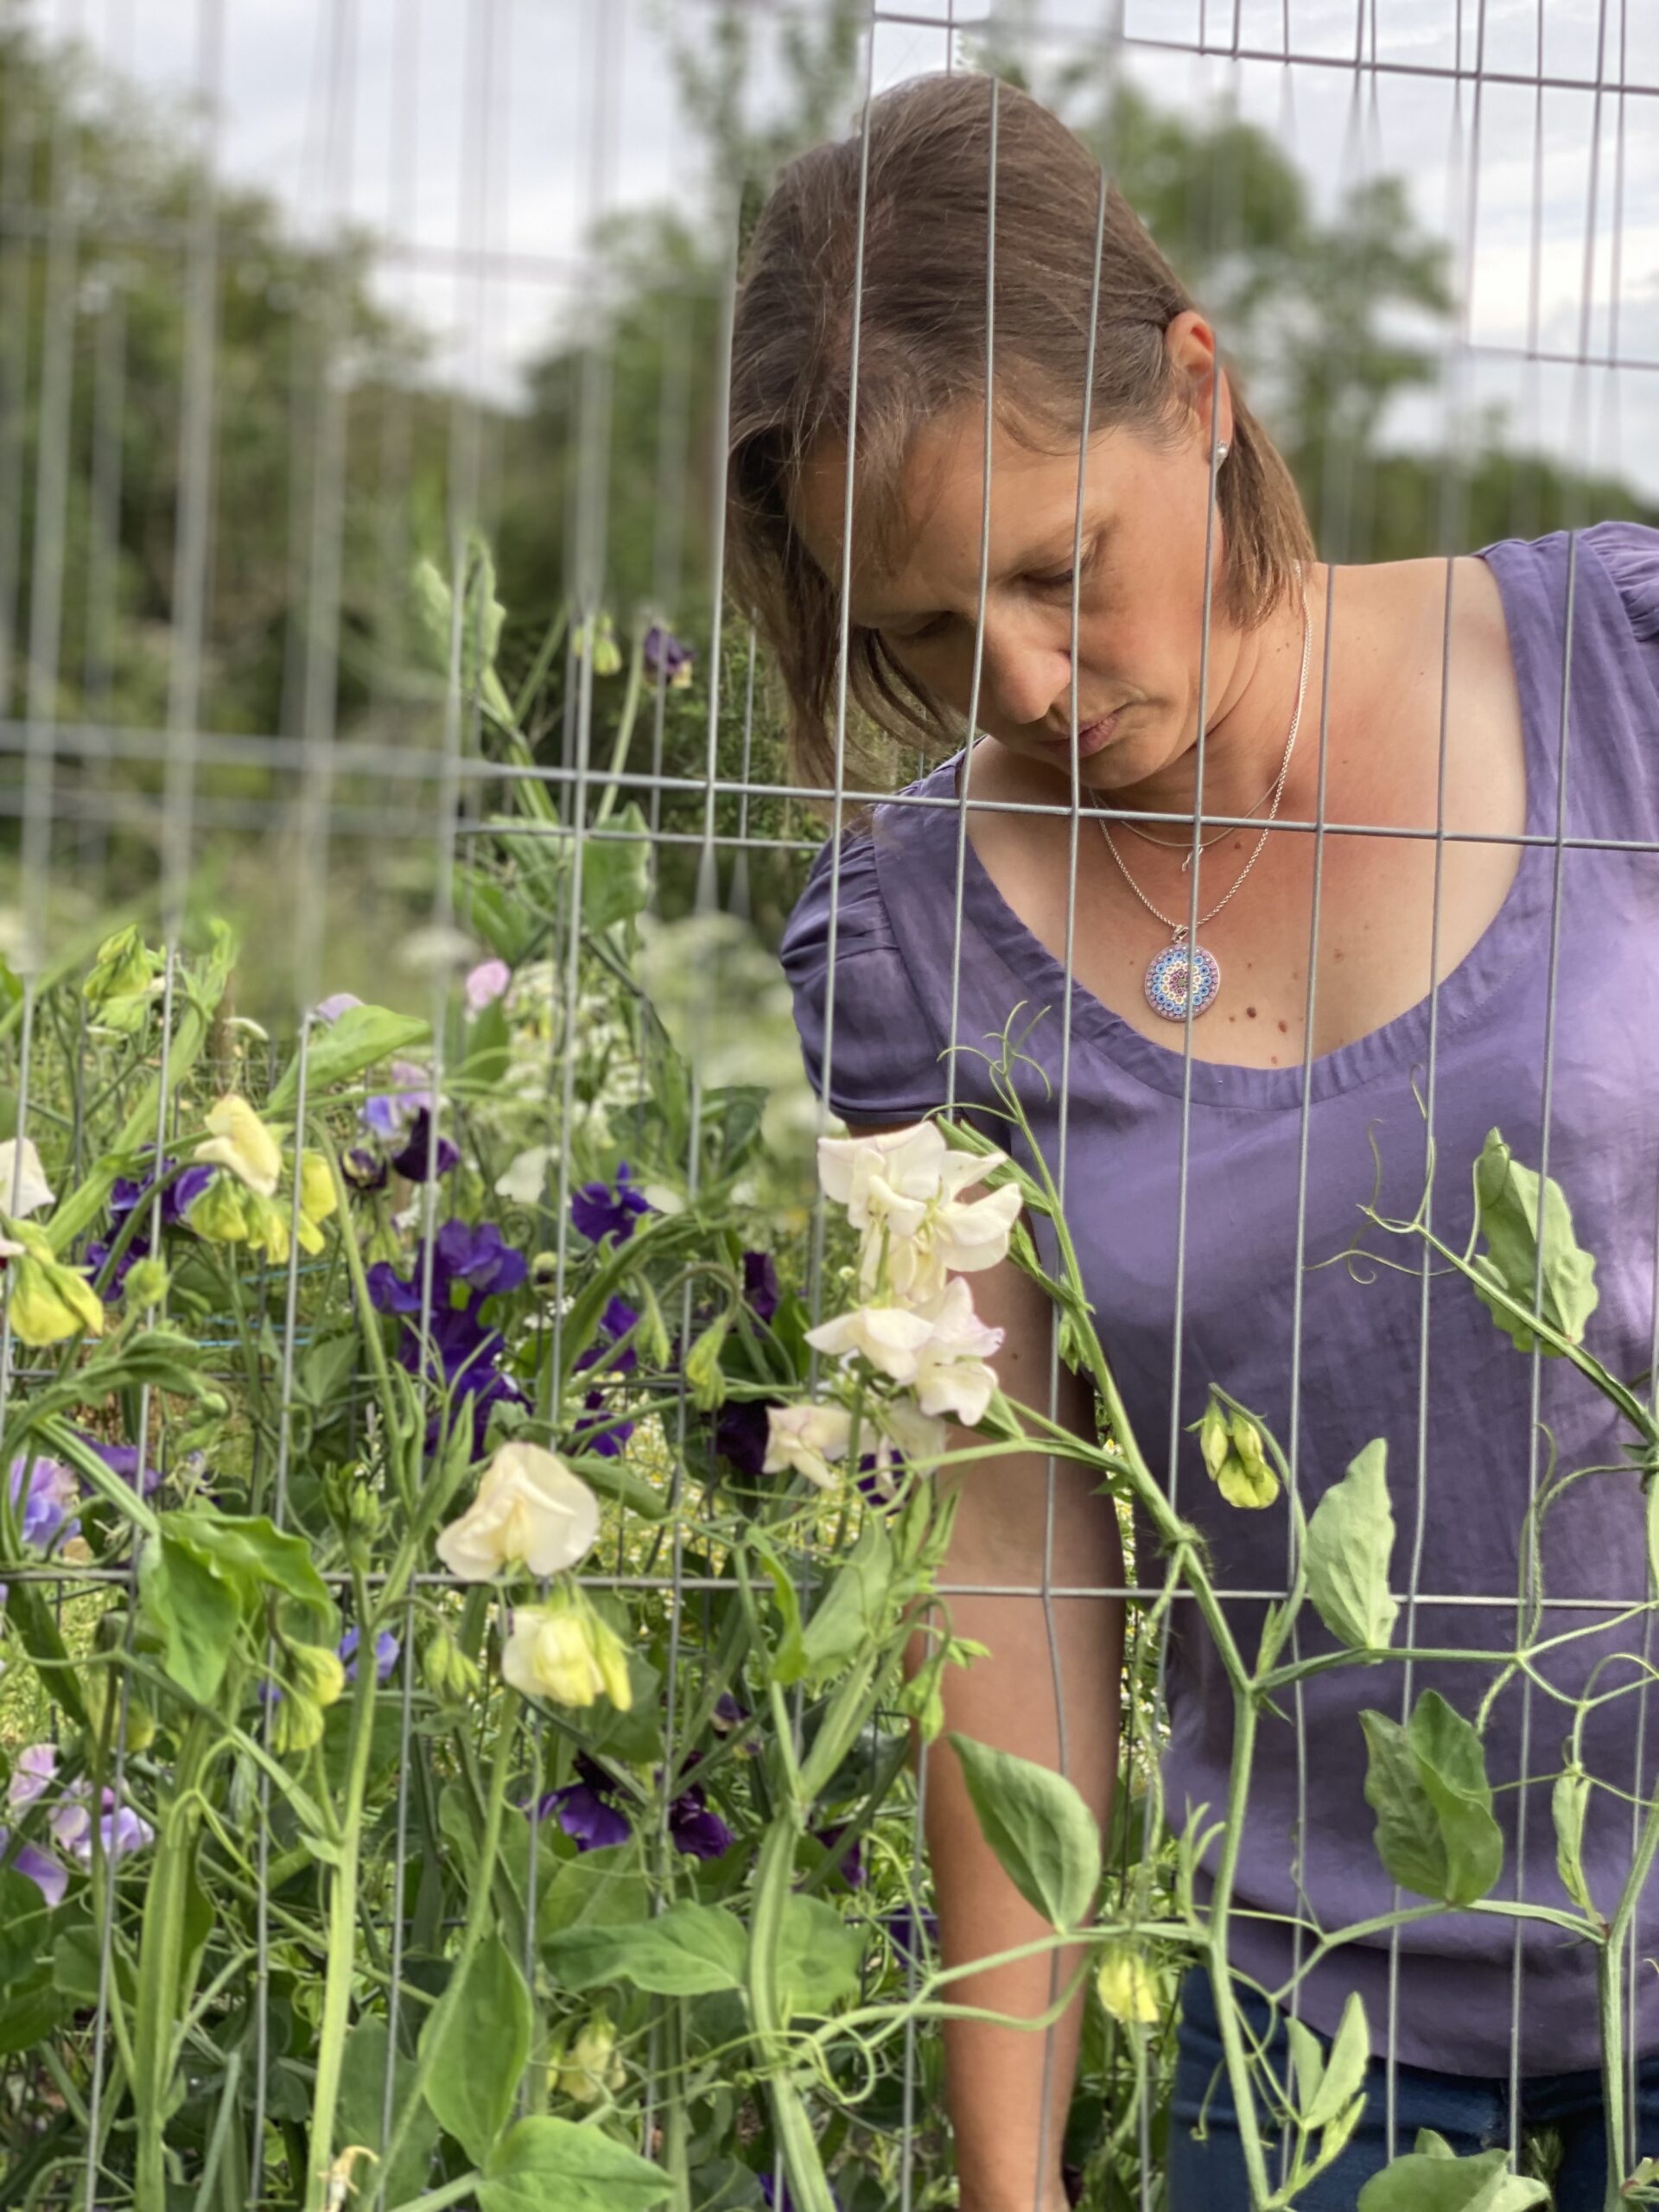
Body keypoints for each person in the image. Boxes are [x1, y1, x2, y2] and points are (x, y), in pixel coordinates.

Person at [725, 68, 1659, 2212]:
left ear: (1200, 393)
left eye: (1062, 569)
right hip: (1316, 2051)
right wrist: (1011, 2177)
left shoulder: (1622, 677)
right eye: (922, 630)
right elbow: (1007, 1557)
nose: (1021, 682)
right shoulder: (912, 950)